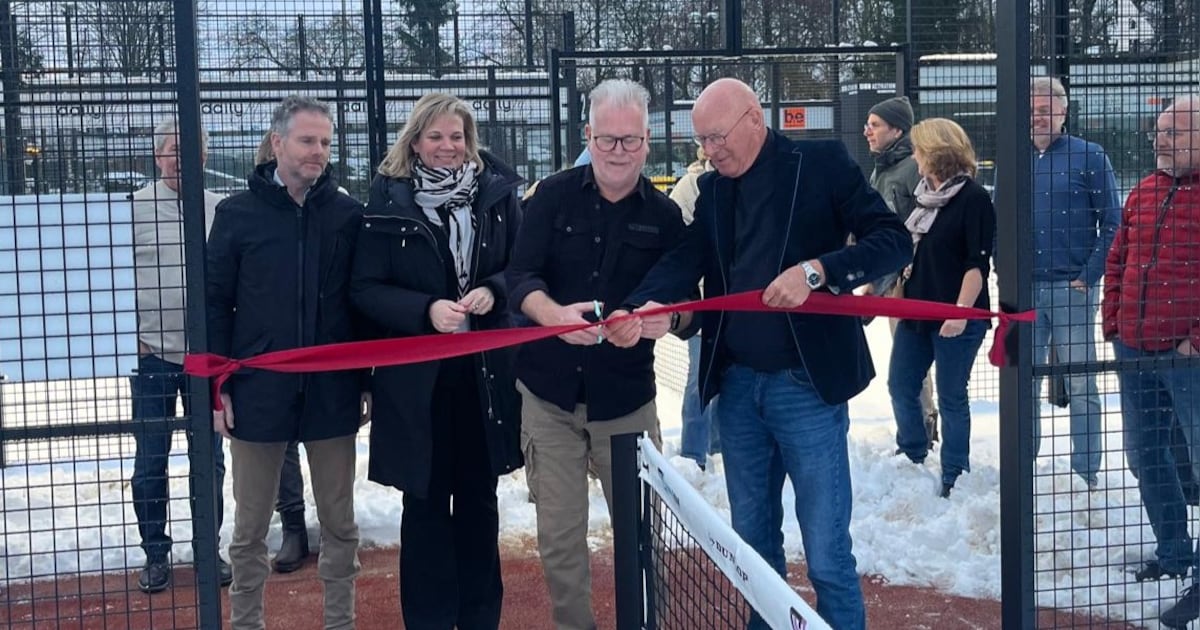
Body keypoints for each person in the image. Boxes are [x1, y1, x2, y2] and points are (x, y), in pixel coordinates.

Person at [609, 77, 912, 630]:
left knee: (826, 552)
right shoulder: (714, 192)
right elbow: (686, 259)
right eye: (701, 141)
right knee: (752, 550)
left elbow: (893, 240)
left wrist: (817, 272)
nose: (709, 151)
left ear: (753, 118)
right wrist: (635, 305)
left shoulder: (821, 163)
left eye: (717, 137)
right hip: (739, 388)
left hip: (807, 388)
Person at [506, 78, 679, 630]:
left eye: (630, 141)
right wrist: (550, 315)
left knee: (641, 537)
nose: (618, 153)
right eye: (607, 140)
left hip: (626, 403)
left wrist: (661, 320)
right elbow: (518, 277)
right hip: (549, 396)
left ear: (647, 141)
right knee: (559, 540)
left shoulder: (666, 216)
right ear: (588, 135)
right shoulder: (550, 197)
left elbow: (690, 304)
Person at [349, 92, 524, 628]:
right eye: (436, 137)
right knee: (423, 510)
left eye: (457, 137)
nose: (448, 147)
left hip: (484, 380)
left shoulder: (498, 197)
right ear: (416, 141)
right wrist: (425, 310)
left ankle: (479, 619)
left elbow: (523, 268)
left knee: (479, 504)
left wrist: (494, 290)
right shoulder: (386, 202)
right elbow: (365, 288)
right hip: (417, 385)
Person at [206, 95, 366, 630]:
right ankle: (246, 623)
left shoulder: (347, 215)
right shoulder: (236, 215)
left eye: (325, 141)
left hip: (331, 395)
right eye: (307, 140)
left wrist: (364, 382)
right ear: (278, 143)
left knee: (341, 524)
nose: (318, 151)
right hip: (257, 392)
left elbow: (359, 304)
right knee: (249, 529)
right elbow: (213, 304)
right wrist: (217, 388)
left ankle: (339, 622)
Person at [1102, 95, 1200, 628]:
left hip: (1189, 359)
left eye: (1175, 133)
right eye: (1158, 132)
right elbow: (1118, 257)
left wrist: (1196, 343)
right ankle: (1174, 554)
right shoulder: (1143, 190)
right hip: (1135, 349)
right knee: (1145, 456)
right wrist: (1113, 322)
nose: (1161, 141)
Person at [130, 117, 232, 593]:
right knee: (151, 457)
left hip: (204, 357)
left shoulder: (219, 210)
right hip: (154, 354)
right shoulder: (134, 209)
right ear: (157, 156)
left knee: (207, 458)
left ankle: (206, 550)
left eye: (190, 150)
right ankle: (155, 553)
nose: (180, 159)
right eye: (172, 150)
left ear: (205, 157)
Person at [887, 118, 996, 499]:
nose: (914, 156)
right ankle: (914, 455)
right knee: (900, 383)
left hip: (957, 316)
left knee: (951, 394)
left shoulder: (974, 200)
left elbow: (976, 266)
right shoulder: (922, 198)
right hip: (917, 312)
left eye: (918, 149)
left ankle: (955, 472)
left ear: (935, 152)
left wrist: (960, 312)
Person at [1029, 76, 1118, 489]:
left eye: (1046, 110)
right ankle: (1024, 469)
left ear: (1064, 111)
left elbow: (1113, 223)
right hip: (1023, 291)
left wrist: (1088, 276)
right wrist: (1001, 268)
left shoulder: (1090, 156)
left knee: (1082, 383)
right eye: (1031, 110)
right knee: (1021, 383)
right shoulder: (1015, 158)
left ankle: (1085, 474)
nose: (1038, 117)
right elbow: (998, 221)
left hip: (1072, 289)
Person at [250, 129, 313, 573]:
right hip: (271, 355)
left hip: (326, 352)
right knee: (281, 445)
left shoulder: (338, 206)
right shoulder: (246, 212)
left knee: (329, 446)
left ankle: (328, 525)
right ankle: (293, 524)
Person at [863, 95, 940, 448]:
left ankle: (922, 431)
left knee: (910, 363)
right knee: (907, 362)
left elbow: (917, 228)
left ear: (897, 129)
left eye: (875, 124)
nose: (868, 131)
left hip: (910, 282)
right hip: (891, 278)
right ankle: (917, 432)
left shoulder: (912, 167)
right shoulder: (882, 167)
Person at [669, 147, 720, 469]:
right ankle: (693, 454)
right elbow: (680, 246)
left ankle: (717, 448)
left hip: (740, 306)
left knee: (730, 382)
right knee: (699, 379)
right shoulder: (690, 187)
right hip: (703, 303)